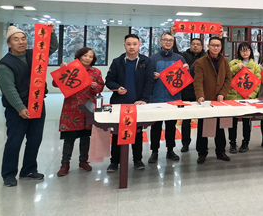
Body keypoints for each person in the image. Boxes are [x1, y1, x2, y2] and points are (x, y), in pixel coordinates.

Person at [0, 24, 58, 187]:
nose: (21, 42)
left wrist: (51, 32)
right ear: (9, 43)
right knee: (14, 141)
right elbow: (9, 89)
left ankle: (29, 169)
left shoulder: (34, 55)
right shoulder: (5, 64)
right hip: (17, 108)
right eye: (16, 39)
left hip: (37, 104)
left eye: (23, 38)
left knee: (35, 139)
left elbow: (51, 47)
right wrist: (20, 107)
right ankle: (9, 174)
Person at [105, 33, 154, 172]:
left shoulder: (146, 61)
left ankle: (137, 160)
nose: (131, 47)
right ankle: (114, 162)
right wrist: (117, 87)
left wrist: (144, 99)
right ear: (124, 45)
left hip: (137, 103)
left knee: (137, 133)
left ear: (139, 45)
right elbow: (109, 80)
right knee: (117, 133)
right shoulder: (117, 61)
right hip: (119, 103)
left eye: (134, 44)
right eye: (128, 44)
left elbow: (149, 82)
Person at [54, 47, 104, 177]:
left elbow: (100, 88)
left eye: (90, 56)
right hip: (71, 109)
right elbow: (56, 83)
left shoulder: (96, 72)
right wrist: (62, 70)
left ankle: (83, 161)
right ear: (79, 56)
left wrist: (95, 87)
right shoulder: (71, 68)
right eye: (85, 55)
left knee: (85, 137)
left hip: (87, 108)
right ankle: (65, 164)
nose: (87, 58)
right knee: (69, 138)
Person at [148, 32, 187, 164]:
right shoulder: (153, 59)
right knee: (156, 127)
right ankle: (154, 151)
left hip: (173, 98)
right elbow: (146, 79)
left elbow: (184, 80)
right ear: (161, 41)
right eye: (165, 40)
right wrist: (151, 76)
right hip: (156, 98)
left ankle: (170, 150)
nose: (168, 42)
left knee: (171, 126)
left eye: (171, 40)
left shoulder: (179, 58)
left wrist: (186, 70)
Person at [193, 36, 232, 164]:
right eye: (213, 45)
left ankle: (221, 151)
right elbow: (198, 81)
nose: (216, 48)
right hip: (206, 100)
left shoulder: (224, 61)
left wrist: (223, 93)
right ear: (208, 46)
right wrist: (200, 96)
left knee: (220, 127)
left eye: (218, 45)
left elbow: (228, 79)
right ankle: (202, 153)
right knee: (203, 128)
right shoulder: (201, 62)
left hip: (220, 100)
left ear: (221, 47)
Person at [227, 42, 261, 153]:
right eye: (242, 50)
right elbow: (227, 75)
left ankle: (245, 142)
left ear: (250, 51)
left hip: (247, 99)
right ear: (239, 52)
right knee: (233, 122)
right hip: (233, 97)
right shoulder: (233, 63)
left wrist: (251, 96)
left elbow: (258, 82)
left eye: (247, 50)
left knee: (247, 122)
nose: (245, 52)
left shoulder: (255, 66)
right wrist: (237, 67)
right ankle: (232, 143)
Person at [177, 37, 206, 152]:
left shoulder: (205, 57)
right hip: (187, 91)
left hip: (201, 91)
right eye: (193, 44)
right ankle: (185, 143)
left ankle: (201, 144)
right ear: (190, 45)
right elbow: (175, 52)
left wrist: (220, 38)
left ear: (202, 46)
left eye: (198, 44)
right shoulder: (184, 56)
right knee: (186, 119)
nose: (195, 46)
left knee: (202, 120)